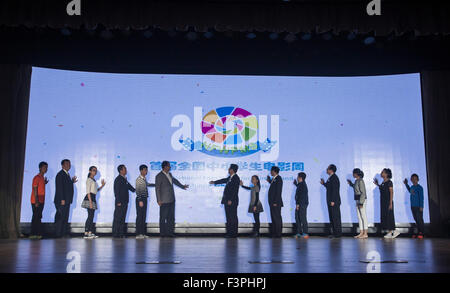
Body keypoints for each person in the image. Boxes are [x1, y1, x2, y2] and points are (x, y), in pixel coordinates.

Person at [155, 161, 189, 237]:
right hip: (163, 200)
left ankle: (170, 233)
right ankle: (162, 233)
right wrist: (158, 200)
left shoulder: (169, 174)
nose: (170, 167)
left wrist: (182, 186)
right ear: (165, 167)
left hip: (171, 199)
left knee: (171, 217)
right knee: (163, 218)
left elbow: (175, 181)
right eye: (169, 166)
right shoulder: (159, 176)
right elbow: (157, 189)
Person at [209, 164, 240, 238]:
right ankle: (229, 233)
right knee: (229, 217)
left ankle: (233, 233)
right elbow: (223, 180)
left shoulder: (236, 178)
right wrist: (215, 182)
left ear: (232, 170)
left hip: (232, 201)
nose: (228, 170)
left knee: (232, 217)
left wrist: (230, 200)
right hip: (227, 201)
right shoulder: (230, 177)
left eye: (229, 168)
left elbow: (235, 190)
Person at [54, 159, 78, 238]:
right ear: (62, 165)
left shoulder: (67, 174)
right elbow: (60, 188)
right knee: (60, 217)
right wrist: (62, 199)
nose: (69, 165)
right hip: (62, 200)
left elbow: (66, 186)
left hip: (66, 200)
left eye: (69, 164)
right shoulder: (60, 174)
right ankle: (58, 234)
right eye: (67, 164)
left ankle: (63, 233)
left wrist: (71, 182)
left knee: (65, 217)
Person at [374, 168, 399, 239]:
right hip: (383, 202)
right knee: (385, 216)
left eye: (383, 172)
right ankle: (390, 232)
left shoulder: (389, 182)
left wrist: (390, 202)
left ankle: (392, 232)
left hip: (388, 201)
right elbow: (383, 189)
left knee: (389, 216)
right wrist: (378, 185)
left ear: (387, 174)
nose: (381, 173)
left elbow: (391, 192)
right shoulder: (383, 182)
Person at [81, 166, 105, 239]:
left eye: (96, 170)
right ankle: (86, 233)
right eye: (94, 170)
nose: (95, 172)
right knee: (90, 216)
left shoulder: (93, 180)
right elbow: (88, 191)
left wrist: (102, 186)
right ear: (90, 171)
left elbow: (95, 190)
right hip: (90, 198)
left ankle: (90, 233)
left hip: (93, 197)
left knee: (91, 216)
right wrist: (90, 202)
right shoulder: (89, 180)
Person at [113, 165, 135, 238]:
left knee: (122, 218)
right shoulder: (118, 179)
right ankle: (116, 234)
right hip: (120, 202)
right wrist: (118, 201)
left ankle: (121, 233)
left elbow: (130, 188)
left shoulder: (124, 179)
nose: (126, 170)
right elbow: (116, 191)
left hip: (125, 201)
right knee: (118, 218)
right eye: (125, 169)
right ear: (121, 170)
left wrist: (137, 189)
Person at [320, 164, 342, 238]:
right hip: (330, 201)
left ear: (331, 170)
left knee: (335, 217)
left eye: (328, 169)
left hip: (334, 201)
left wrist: (333, 200)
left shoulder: (334, 178)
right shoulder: (330, 177)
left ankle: (338, 233)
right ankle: (334, 232)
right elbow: (330, 187)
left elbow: (335, 190)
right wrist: (324, 184)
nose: (327, 170)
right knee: (332, 217)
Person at [135, 164, 155, 239]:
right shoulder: (138, 179)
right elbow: (138, 190)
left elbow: (148, 184)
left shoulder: (144, 179)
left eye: (146, 170)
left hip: (144, 199)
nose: (146, 171)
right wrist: (140, 200)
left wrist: (156, 184)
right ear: (141, 170)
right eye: (145, 170)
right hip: (140, 199)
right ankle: (138, 234)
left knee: (143, 216)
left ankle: (142, 233)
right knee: (140, 216)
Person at [30, 161, 49, 239]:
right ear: (40, 168)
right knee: (35, 217)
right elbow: (35, 188)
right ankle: (33, 234)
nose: (46, 169)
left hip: (41, 200)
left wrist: (44, 183)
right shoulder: (36, 177)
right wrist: (36, 201)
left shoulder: (42, 178)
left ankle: (37, 233)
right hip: (36, 201)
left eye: (46, 167)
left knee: (38, 217)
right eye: (44, 167)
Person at [347, 168, 368, 239]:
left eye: (353, 173)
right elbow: (356, 188)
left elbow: (363, 193)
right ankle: (361, 232)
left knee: (363, 216)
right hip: (357, 200)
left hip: (361, 200)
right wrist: (351, 184)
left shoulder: (361, 181)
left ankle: (365, 233)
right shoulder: (357, 181)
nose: (353, 174)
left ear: (356, 174)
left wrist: (361, 203)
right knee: (359, 216)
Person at [403, 174, 425, 238]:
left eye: (415, 179)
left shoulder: (420, 188)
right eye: (413, 179)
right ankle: (418, 232)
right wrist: (406, 184)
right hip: (413, 206)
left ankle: (422, 232)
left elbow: (421, 197)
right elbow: (410, 190)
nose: (414, 180)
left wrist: (421, 206)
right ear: (411, 180)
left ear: (418, 180)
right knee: (416, 219)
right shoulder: (412, 187)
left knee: (419, 219)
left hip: (418, 206)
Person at [267, 166, 283, 238]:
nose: (270, 172)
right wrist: (270, 181)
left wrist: (275, 201)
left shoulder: (278, 179)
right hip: (272, 202)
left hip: (276, 202)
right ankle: (274, 233)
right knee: (273, 218)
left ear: (274, 171)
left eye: (271, 171)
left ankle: (278, 233)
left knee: (277, 218)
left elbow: (278, 191)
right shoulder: (274, 179)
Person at [293, 172, 309, 239]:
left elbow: (301, 196)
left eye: (298, 177)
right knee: (297, 218)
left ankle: (305, 233)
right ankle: (299, 233)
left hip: (302, 204)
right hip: (300, 204)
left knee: (302, 218)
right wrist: (296, 184)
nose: (297, 178)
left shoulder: (303, 185)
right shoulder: (300, 184)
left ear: (300, 178)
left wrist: (298, 204)